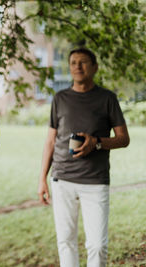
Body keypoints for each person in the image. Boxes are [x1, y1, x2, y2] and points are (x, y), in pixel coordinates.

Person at [37, 47, 130, 267]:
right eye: (73, 62)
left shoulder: (107, 99)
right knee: (66, 241)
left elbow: (123, 138)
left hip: (95, 181)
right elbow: (50, 141)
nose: (77, 66)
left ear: (95, 67)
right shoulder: (60, 99)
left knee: (97, 245)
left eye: (83, 62)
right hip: (62, 179)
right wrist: (42, 178)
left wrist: (96, 143)